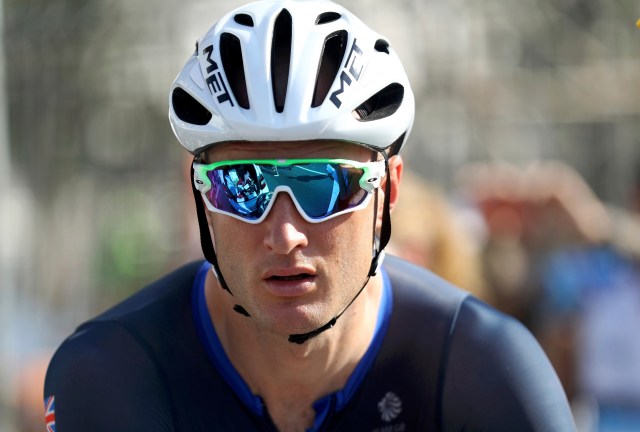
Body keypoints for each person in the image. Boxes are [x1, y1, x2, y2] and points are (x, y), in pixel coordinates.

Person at [44, 1, 575, 430]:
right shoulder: (111, 372)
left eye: (324, 184)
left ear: (388, 191)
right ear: (200, 197)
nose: (285, 234)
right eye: (242, 186)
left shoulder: (484, 368)